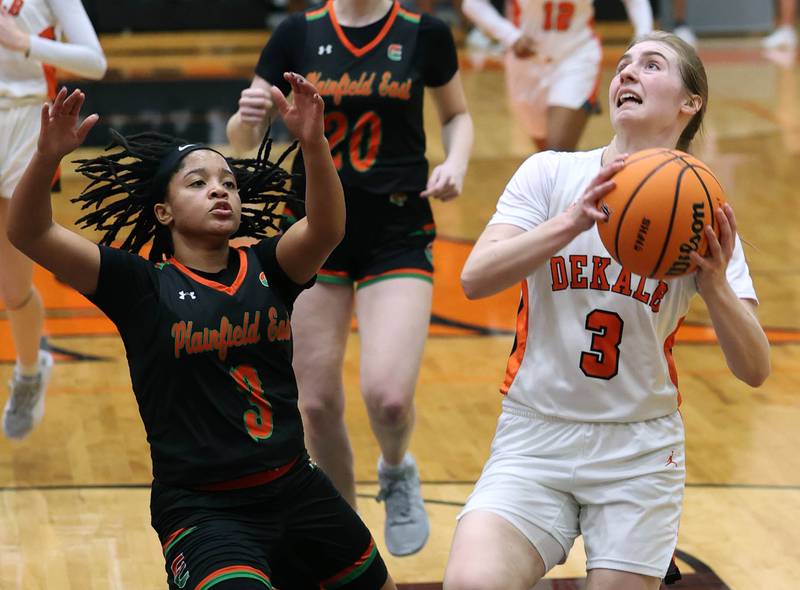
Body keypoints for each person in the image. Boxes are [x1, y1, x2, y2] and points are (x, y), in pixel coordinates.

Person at [8, 78, 396, 590]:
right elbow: (29, 233)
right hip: (205, 508)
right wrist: (45, 158)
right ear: (162, 213)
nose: (219, 189)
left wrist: (314, 144)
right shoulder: (140, 285)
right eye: (197, 183)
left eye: (229, 183)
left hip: (296, 485)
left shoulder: (270, 266)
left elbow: (326, 227)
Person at [444, 31, 771, 590]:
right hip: (534, 436)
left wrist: (714, 284)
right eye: (622, 65)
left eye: (651, 65)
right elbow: (475, 278)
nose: (627, 73)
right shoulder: (549, 173)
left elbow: (754, 368)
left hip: (636, 450)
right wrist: (569, 221)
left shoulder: (700, 209)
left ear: (690, 103)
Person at [227, 0, 474, 557]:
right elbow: (242, 139)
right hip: (314, 227)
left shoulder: (423, 33)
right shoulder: (297, 33)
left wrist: (456, 160)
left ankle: (395, 468)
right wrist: (246, 119)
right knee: (313, 403)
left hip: (397, 227)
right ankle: (345, 536)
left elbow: (457, 113)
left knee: (388, 398)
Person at [0, 0, 106, 439]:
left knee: (14, 286)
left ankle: (29, 371)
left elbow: (95, 62)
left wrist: (25, 44)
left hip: (26, 120)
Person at [460, 0, 652, 152]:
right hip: (526, 63)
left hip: (577, 55)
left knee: (557, 150)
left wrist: (642, 40)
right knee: (546, 156)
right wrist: (511, 36)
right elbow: (472, 4)